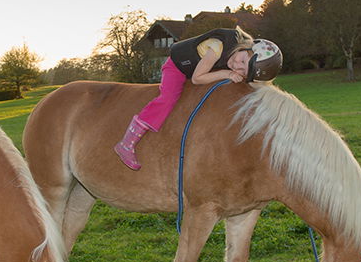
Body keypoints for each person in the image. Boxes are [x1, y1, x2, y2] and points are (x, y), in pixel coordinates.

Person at [114, 27, 282, 170]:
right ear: (246, 47)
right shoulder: (218, 47)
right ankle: (128, 142)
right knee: (168, 98)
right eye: (243, 60)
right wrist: (226, 73)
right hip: (178, 66)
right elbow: (197, 79)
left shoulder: (236, 55)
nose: (237, 66)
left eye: (243, 71)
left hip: (198, 69)